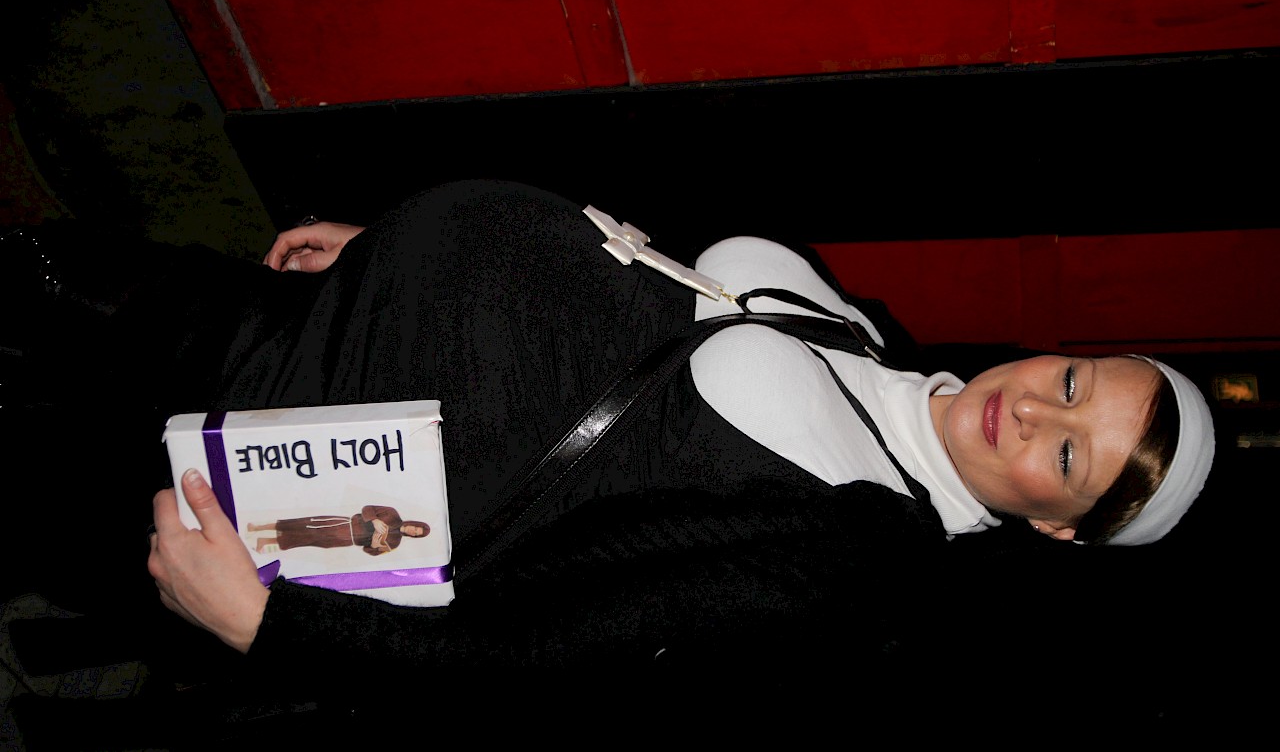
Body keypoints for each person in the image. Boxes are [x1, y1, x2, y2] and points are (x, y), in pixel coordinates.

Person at [3, 179, 1217, 729]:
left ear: (1056, 526)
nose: (1036, 416)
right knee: (40, 270)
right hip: (321, 320)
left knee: (22, 437)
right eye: (1073, 384)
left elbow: (537, 662)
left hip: (301, 468)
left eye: (1070, 460)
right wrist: (392, 246)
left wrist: (272, 628)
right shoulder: (863, 336)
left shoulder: (848, 560)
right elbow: (628, 294)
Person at [246, 506, 430, 554]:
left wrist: (374, 546)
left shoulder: (394, 542)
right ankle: (258, 528)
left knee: (306, 540)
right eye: (416, 528)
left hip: (344, 541)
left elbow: (371, 551)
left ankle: (265, 541)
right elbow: (368, 509)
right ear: (415, 523)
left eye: (415, 534)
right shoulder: (392, 514)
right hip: (343, 524)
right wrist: (374, 520)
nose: (413, 531)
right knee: (302, 525)